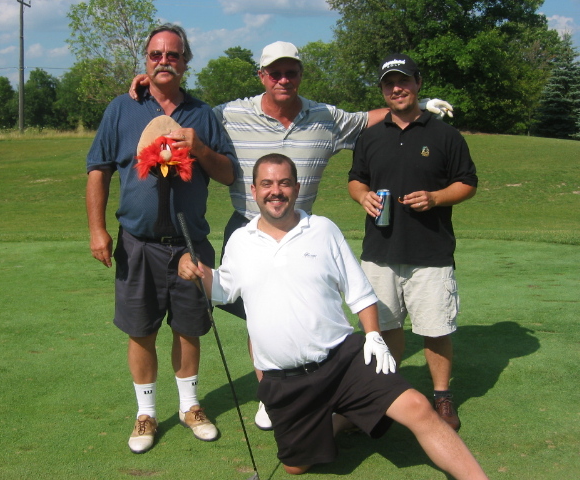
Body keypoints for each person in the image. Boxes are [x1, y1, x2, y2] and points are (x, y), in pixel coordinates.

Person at [129, 41, 453, 430]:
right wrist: (155, 84)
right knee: (259, 318)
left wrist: (419, 106)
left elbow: (366, 119)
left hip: (302, 230)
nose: (283, 79)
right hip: (247, 229)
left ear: (300, 75)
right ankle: (270, 395)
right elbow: (187, 110)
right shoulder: (229, 114)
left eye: (291, 72)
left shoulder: (325, 116)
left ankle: (313, 385)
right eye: (274, 73)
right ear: (262, 76)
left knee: (302, 313)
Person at [178, 154, 487, 478]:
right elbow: (222, 290)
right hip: (285, 380)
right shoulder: (241, 240)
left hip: (343, 360)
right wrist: (193, 267)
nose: (276, 191)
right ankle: (342, 417)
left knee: (418, 408)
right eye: (267, 184)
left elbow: (360, 292)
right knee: (295, 466)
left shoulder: (323, 230)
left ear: (297, 188)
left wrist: (373, 336)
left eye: (284, 183)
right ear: (254, 191)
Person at [86, 23, 236, 454]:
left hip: (190, 244)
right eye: (156, 54)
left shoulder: (202, 114)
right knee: (141, 330)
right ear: (146, 61)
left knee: (188, 329)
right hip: (138, 242)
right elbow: (98, 169)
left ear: (186, 61)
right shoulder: (122, 108)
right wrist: (97, 229)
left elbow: (228, 174)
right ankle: (146, 413)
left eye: (173, 54)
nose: (164, 60)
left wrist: (200, 147)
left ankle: (190, 406)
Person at [348, 53, 478, 431]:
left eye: (403, 81)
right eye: (389, 83)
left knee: (435, 330)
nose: (397, 88)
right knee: (384, 329)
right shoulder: (370, 137)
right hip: (380, 252)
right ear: (382, 90)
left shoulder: (445, 135)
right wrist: (362, 196)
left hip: (430, 251)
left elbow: (467, 183)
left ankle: (442, 397)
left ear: (418, 83)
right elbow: (356, 179)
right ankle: (385, 395)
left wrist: (436, 198)